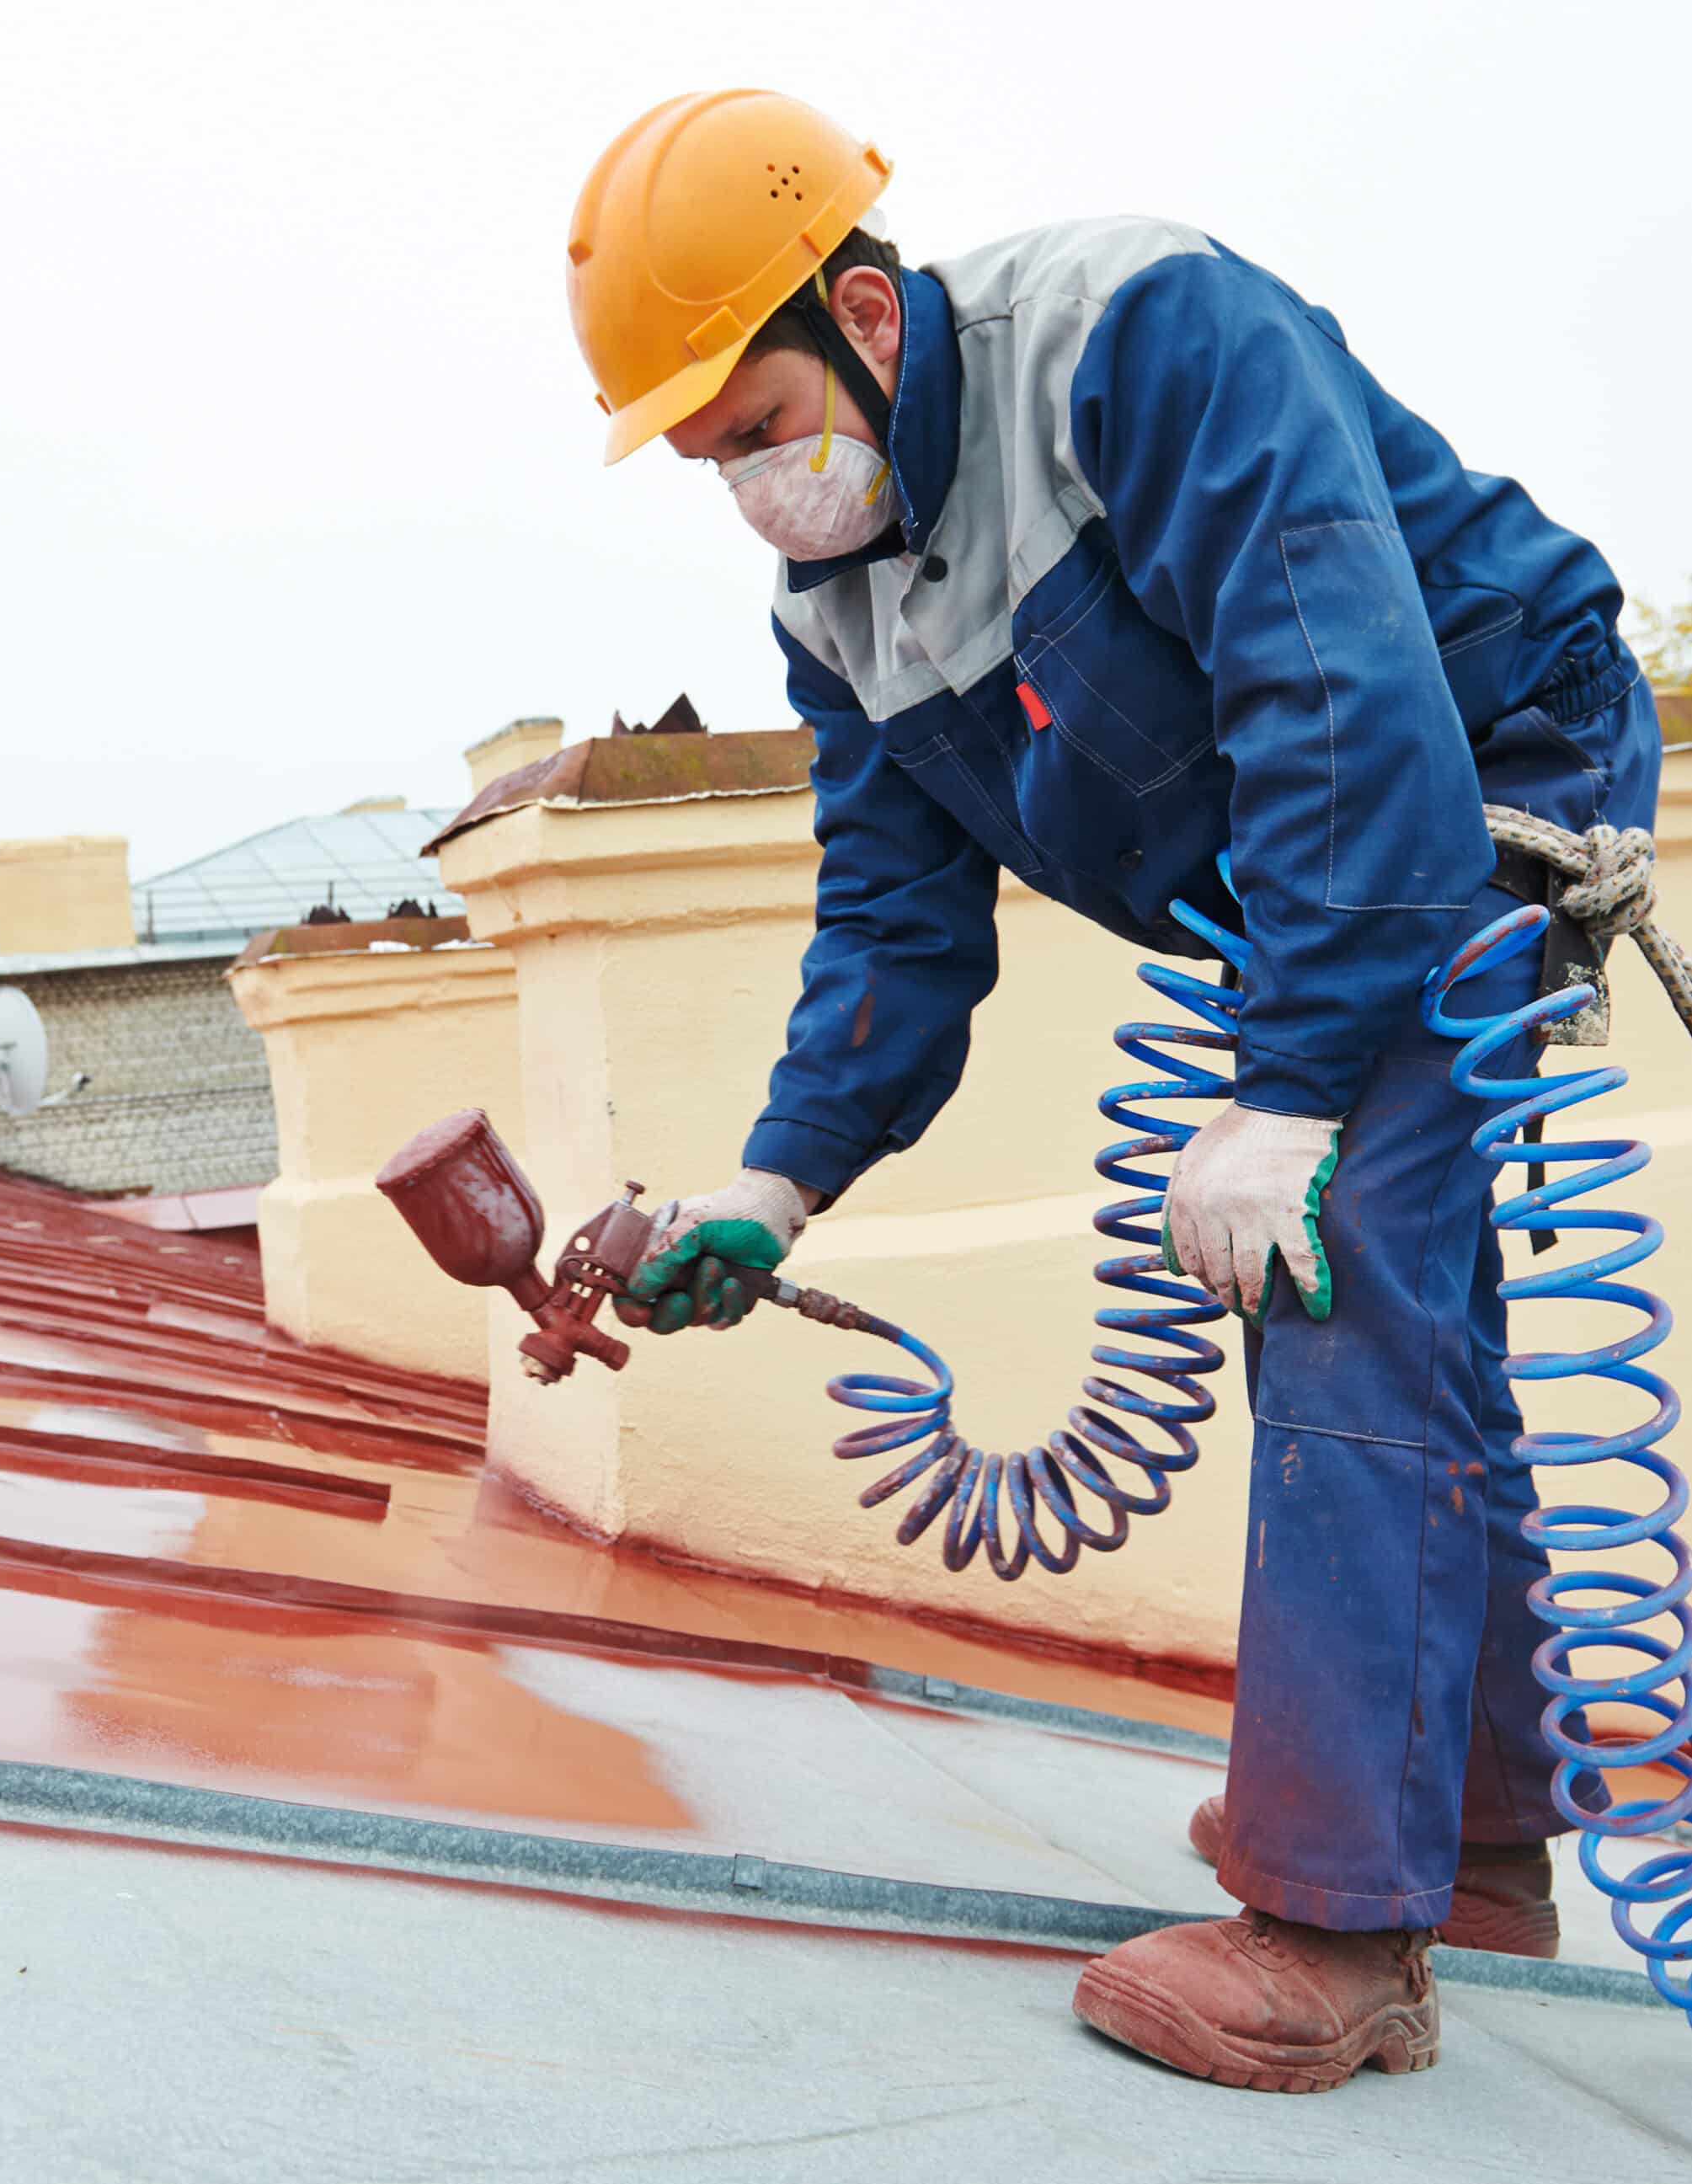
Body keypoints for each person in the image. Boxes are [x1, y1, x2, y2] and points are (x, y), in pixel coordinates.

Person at [565, 88, 1662, 2092]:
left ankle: (1338, 1933)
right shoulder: (840, 609)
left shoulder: (1139, 338)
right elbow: (893, 932)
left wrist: (1290, 1088)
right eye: (709, 462)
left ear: (872, 319)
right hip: (1312, 830)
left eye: (756, 428)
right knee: (1396, 1270)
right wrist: (775, 1188)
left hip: (1475, 752)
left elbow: (1338, 691)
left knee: (1327, 1260)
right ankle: (1477, 1841)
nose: (750, 490)